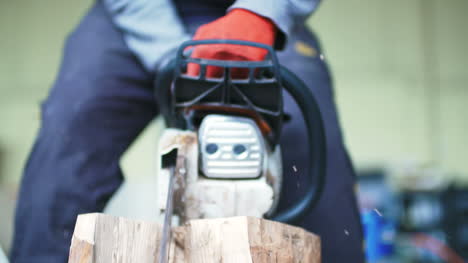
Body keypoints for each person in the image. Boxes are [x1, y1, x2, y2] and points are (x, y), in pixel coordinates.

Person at [10, 0, 364, 262]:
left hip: (256, 13)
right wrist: (181, 62)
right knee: (67, 138)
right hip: (135, 14)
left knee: (311, 151)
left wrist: (262, 13)